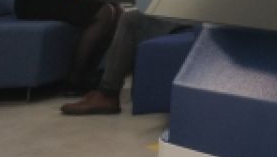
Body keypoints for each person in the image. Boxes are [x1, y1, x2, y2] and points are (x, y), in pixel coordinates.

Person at [59, 10, 189, 116]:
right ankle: (102, 84)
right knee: (117, 12)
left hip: (191, 16)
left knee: (129, 19)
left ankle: (107, 93)